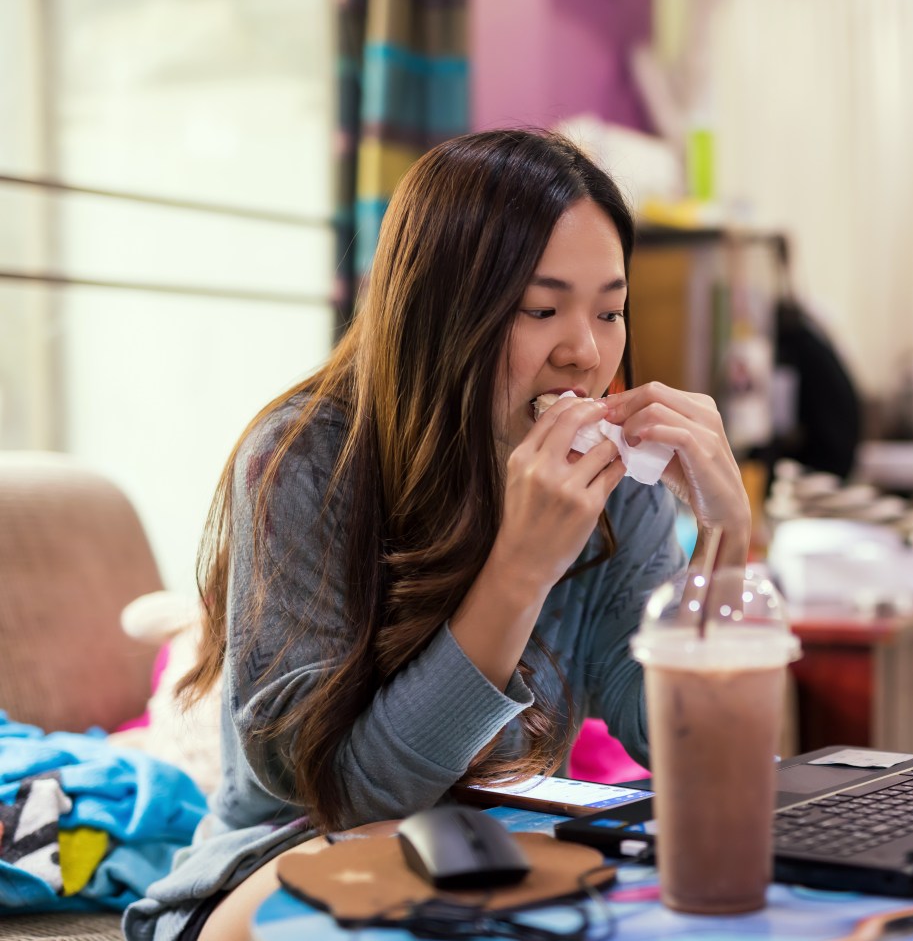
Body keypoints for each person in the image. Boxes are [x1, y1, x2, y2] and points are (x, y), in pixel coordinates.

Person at [122, 130, 751, 941]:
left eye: (609, 309)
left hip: (504, 856)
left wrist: (727, 541)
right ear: (441, 308)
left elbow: (687, 744)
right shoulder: (302, 461)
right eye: (540, 308)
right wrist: (519, 570)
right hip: (291, 856)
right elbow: (349, 794)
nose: (585, 352)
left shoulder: (614, 485)